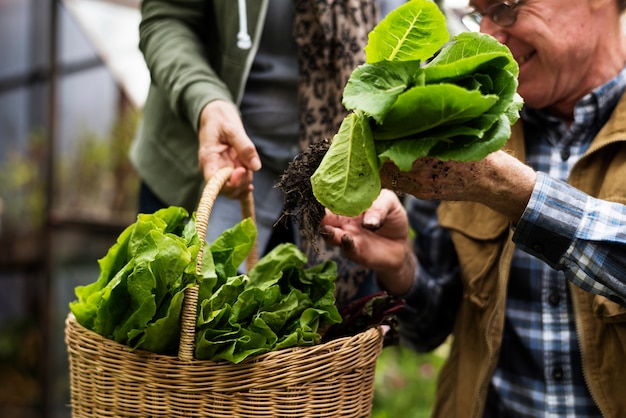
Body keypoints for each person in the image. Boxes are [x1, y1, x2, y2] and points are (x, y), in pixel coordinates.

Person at [319, 0, 626, 416]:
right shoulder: (471, 123)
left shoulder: (485, 166)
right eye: (476, 12)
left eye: (505, 8)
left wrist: (507, 188)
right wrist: (400, 269)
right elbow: (426, 330)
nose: (487, 32)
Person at [129, 0, 407, 306]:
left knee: (333, 337)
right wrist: (205, 100)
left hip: (348, 194)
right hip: (216, 168)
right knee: (190, 313)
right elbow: (168, 17)